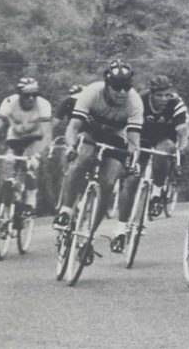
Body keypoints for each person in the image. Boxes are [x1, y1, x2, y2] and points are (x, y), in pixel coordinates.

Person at [52, 59, 143, 253]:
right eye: (117, 87)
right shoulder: (92, 92)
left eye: (126, 87)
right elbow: (73, 127)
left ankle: (90, 234)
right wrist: (71, 147)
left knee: (108, 183)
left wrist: (133, 159)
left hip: (117, 137)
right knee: (82, 158)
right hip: (90, 131)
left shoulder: (134, 102)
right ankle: (66, 211)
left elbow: (134, 142)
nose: (122, 92)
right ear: (107, 85)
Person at [117, 75, 189, 225]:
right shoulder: (140, 100)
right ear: (151, 94)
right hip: (143, 136)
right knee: (133, 173)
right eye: (159, 95)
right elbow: (125, 125)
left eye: (167, 95)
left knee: (163, 153)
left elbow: (183, 132)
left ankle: (157, 192)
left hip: (164, 136)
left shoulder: (176, 103)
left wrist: (180, 150)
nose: (164, 99)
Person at [0, 77, 53, 215]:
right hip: (16, 138)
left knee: (29, 165)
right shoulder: (9, 103)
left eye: (34, 94)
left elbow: (47, 135)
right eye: (26, 95)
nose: (31, 98)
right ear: (19, 95)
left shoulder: (43, 105)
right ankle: (8, 208)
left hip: (36, 139)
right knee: (8, 164)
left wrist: (37, 154)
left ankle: (31, 202)